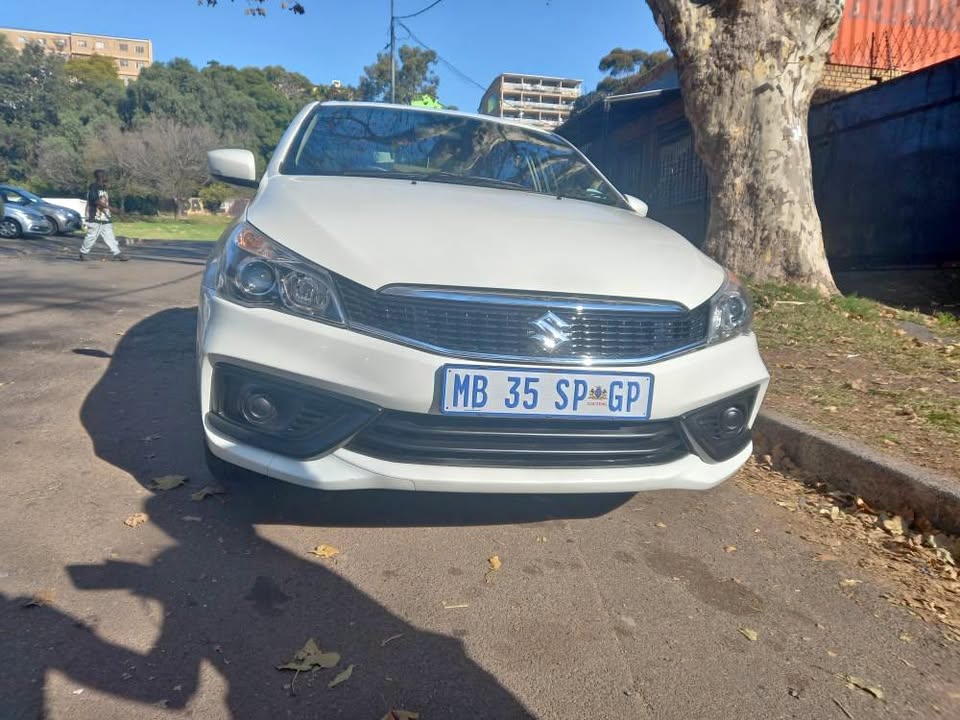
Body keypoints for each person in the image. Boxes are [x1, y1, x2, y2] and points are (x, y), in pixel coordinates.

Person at [80, 170, 128, 262]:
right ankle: (83, 253)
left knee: (110, 236)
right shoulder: (93, 187)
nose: (107, 178)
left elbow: (104, 201)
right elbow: (96, 201)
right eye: (106, 176)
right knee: (92, 236)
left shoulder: (104, 188)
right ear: (101, 177)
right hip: (96, 217)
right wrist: (111, 208)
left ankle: (117, 253)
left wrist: (111, 210)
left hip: (105, 217)